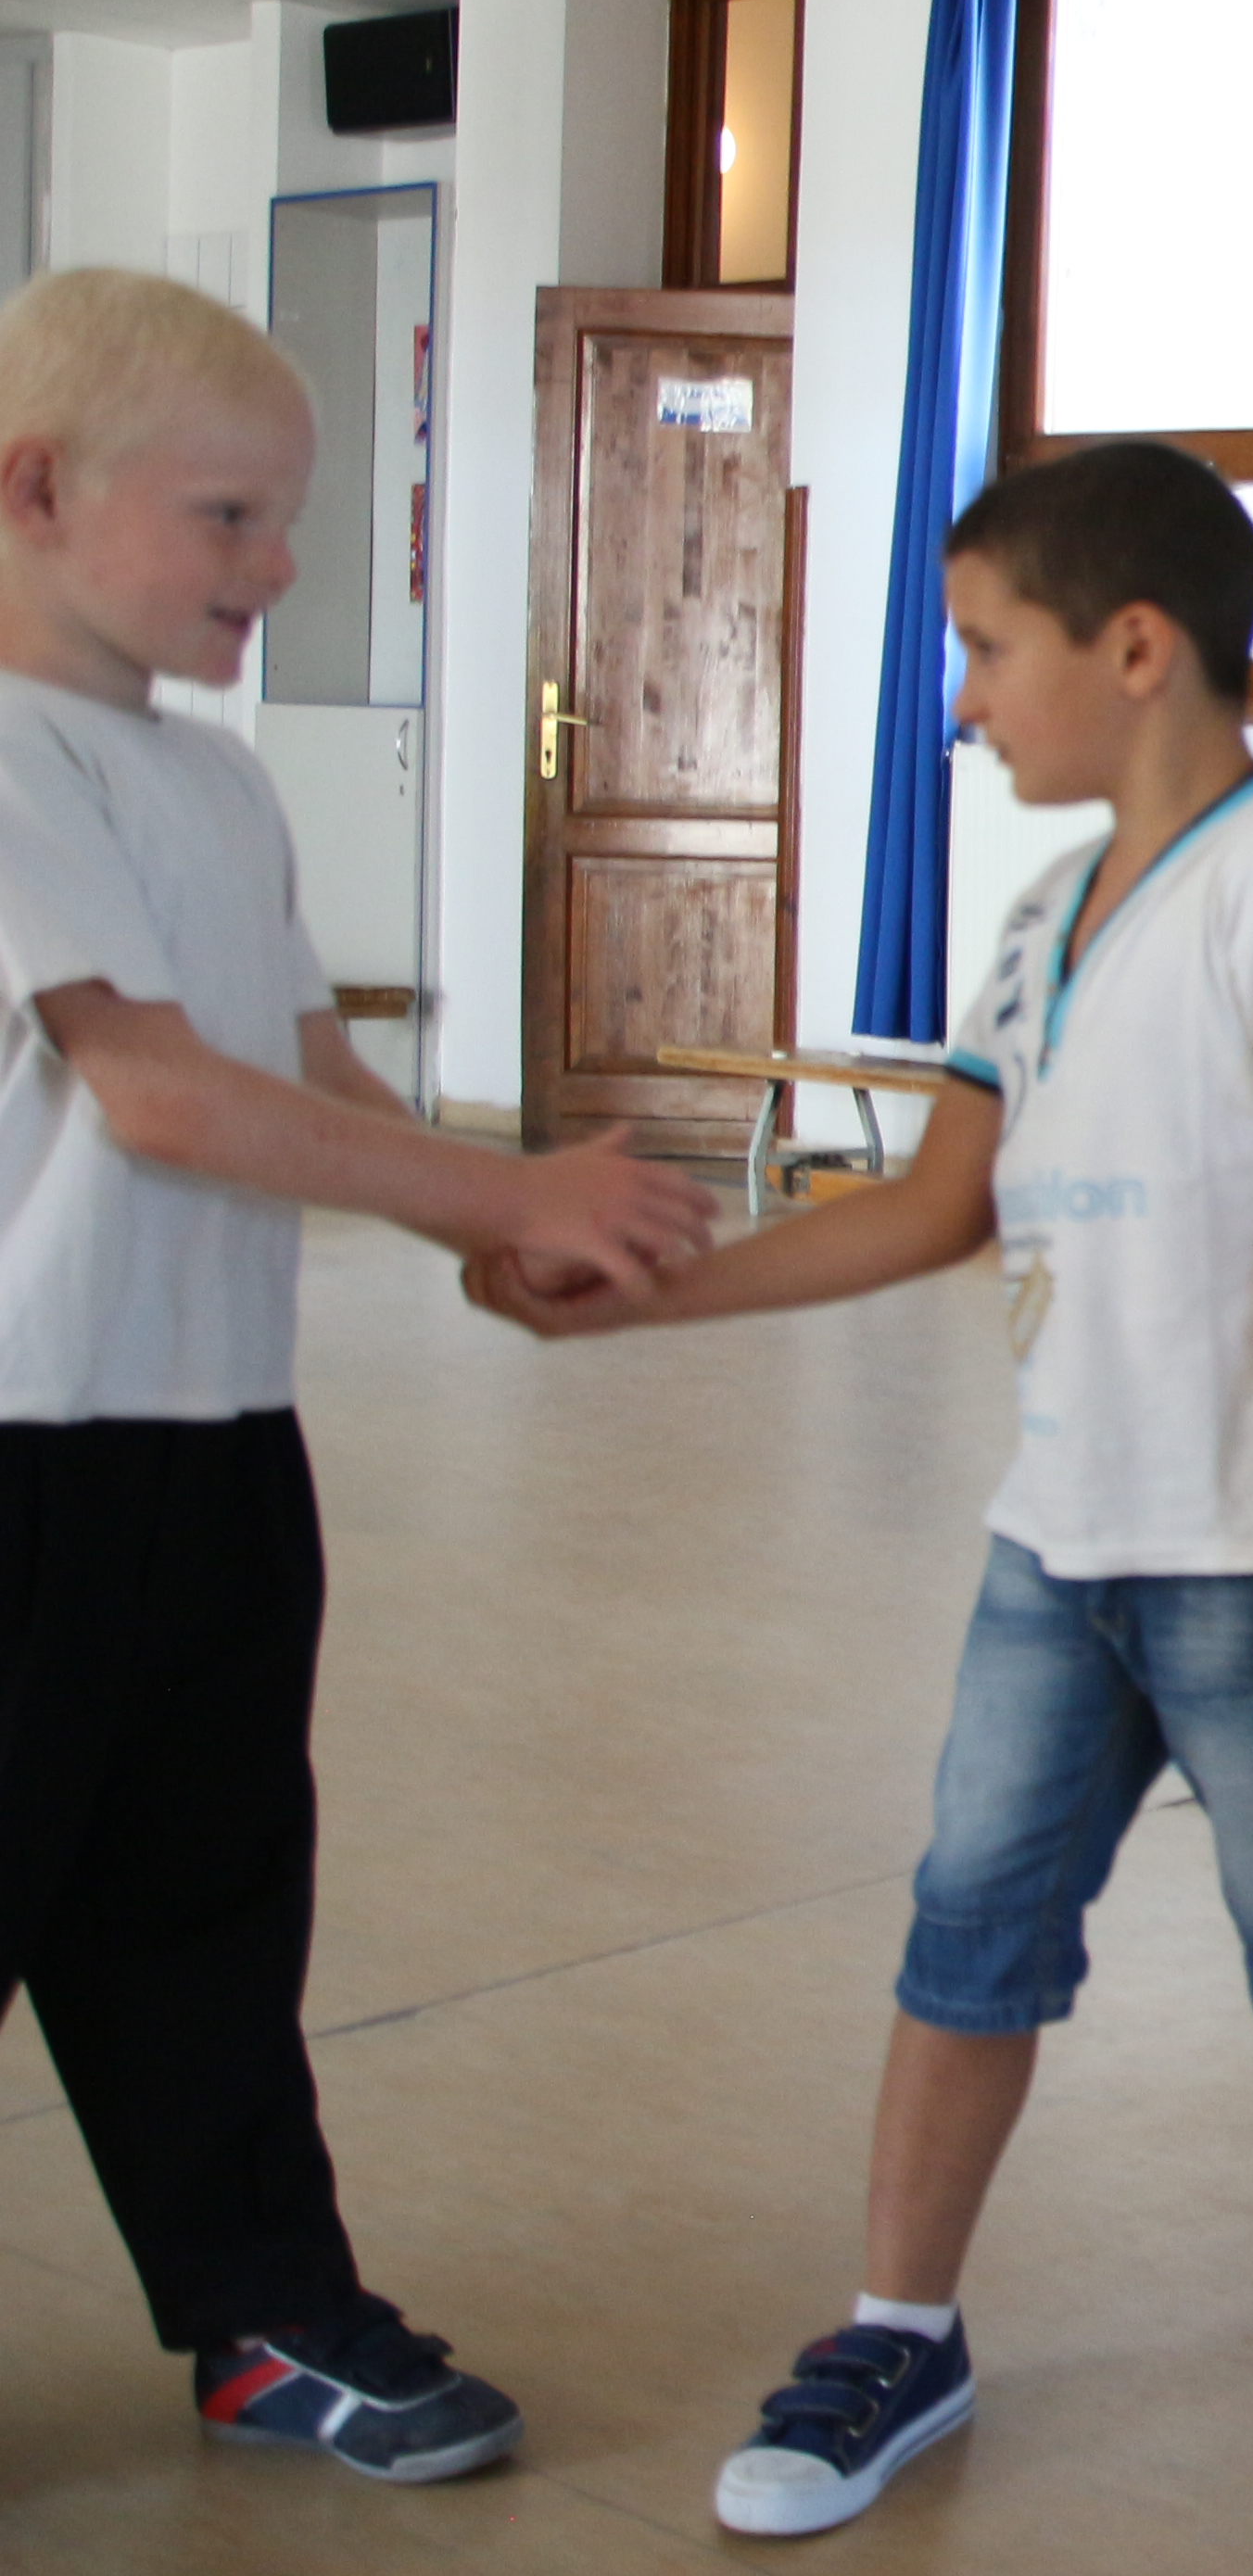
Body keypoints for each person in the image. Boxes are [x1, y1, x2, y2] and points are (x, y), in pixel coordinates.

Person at [477, 441, 1253, 2535]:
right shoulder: (1045, 918)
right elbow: (935, 1205)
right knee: (969, 1926)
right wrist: (642, 1304)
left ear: (1135, 650)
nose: (961, 700)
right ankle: (904, 2329)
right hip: (1059, 1548)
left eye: (984, 649)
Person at [0, 267, 716, 2485]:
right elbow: (152, 1092)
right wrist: (510, 1190)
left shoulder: (214, 784)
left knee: (206, 1899)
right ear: (34, 489)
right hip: (18, 1452)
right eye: (228, 516)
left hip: (209, 1436)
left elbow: (299, 1064)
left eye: (289, 516)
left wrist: (480, 1228)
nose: (281, 563)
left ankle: (263, 2313)